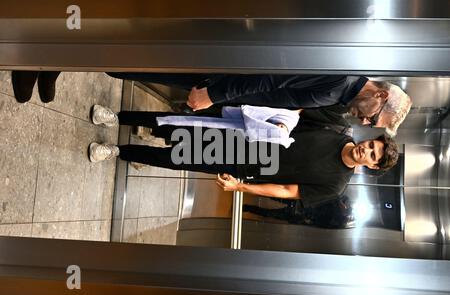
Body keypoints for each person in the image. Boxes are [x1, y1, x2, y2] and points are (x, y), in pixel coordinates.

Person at [87, 105, 399, 207]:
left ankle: (116, 151)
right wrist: (278, 121)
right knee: (179, 123)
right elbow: (299, 110)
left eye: (372, 155)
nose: (366, 150)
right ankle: (115, 117)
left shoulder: (335, 185)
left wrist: (241, 187)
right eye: (372, 145)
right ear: (370, 139)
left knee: (177, 158)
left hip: (243, 162)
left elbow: (287, 190)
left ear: (371, 166)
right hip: (244, 132)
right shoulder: (337, 127)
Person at [11, 71, 412, 135]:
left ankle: (59, 62)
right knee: (136, 61)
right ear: (379, 95)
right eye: (376, 118)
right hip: (222, 78)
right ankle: (53, 55)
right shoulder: (339, 80)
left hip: (226, 85)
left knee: (135, 67)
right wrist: (214, 93)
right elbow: (272, 77)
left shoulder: (340, 91)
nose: (368, 122)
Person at [243, 195, 355, 229]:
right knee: (271, 195)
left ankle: (247, 208)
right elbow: (333, 195)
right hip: (302, 202)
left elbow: (321, 224)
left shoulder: (339, 221)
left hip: (302, 212)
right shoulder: (342, 201)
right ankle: (249, 190)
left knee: (269, 213)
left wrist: (305, 221)